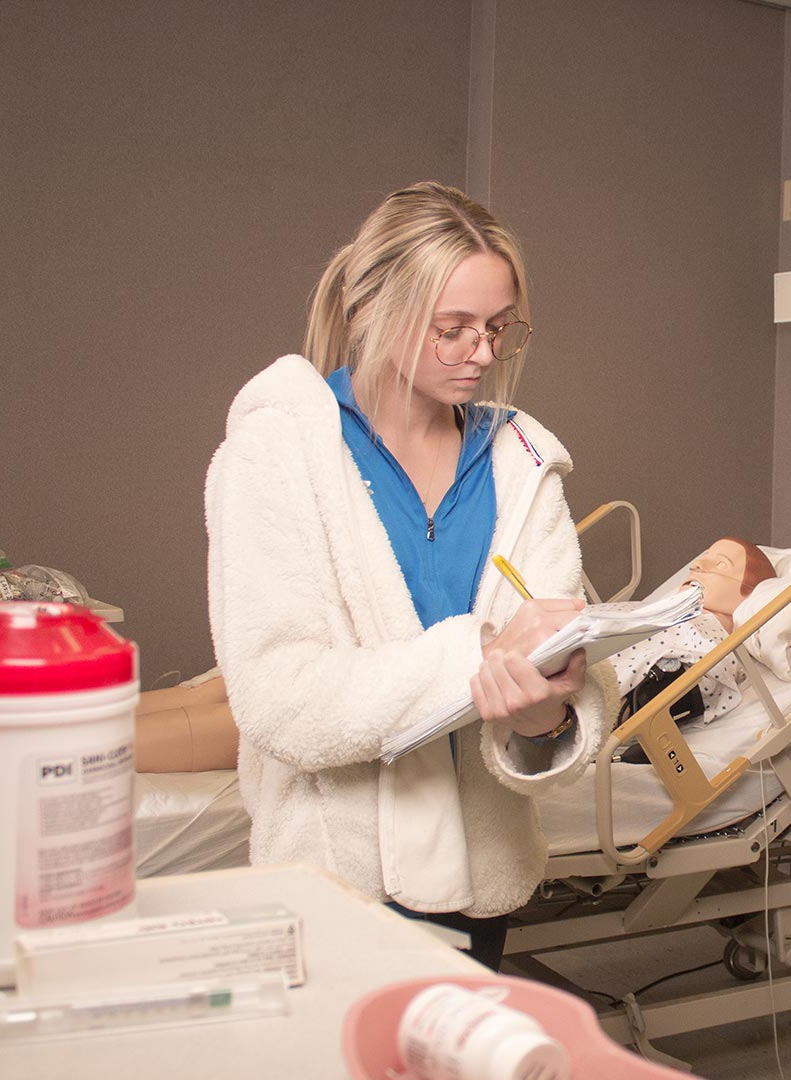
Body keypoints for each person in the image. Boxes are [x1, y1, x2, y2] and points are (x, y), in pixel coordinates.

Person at [205, 182, 613, 969]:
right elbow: (278, 697)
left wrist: (542, 722)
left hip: (475, 892)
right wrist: (477, 662)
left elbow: (569, 704)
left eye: (498, 328)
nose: (484, 354)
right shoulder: (282, 454)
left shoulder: (521, 468)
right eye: (452, 330)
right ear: (376, 310)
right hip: (331, 889)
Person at [606, 537, 776, 729]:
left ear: (750, 591)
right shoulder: (652, 610)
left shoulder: (716, 644)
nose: (697, 564)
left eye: (721, 564)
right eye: (704, 558)